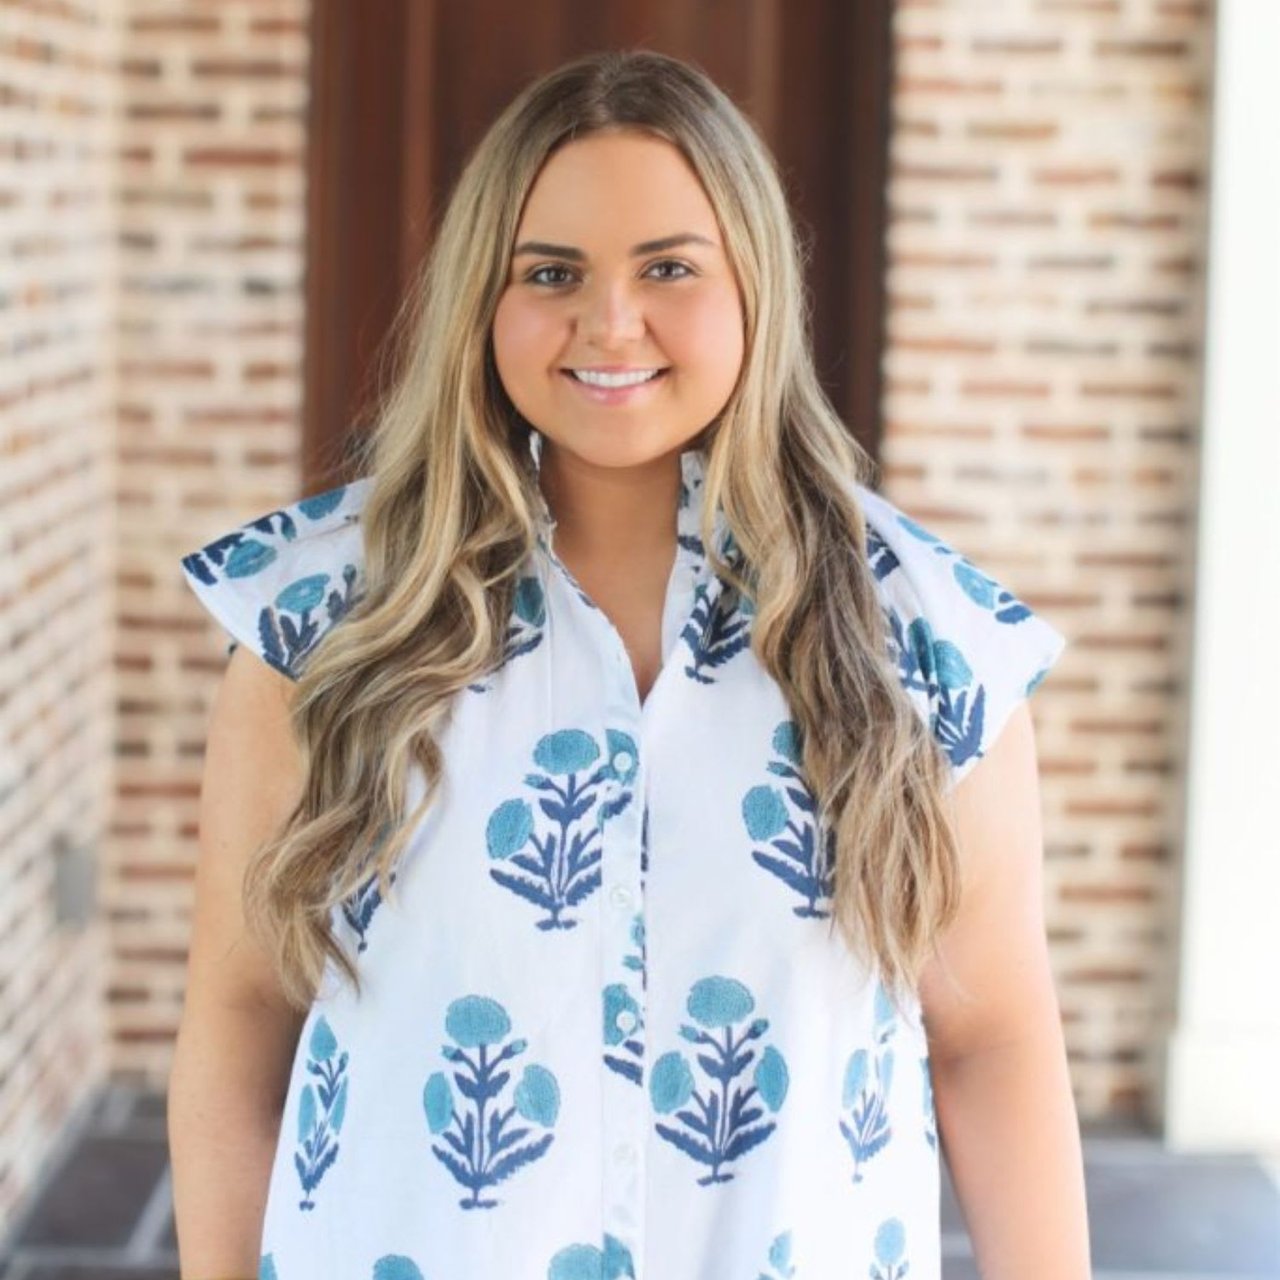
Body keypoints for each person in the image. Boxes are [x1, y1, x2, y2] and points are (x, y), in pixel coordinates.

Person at [167, 48, 1091, 1280]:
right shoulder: (322, 622)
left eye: (667, 267)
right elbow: (240, 1026)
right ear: (481, 302)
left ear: (752, 283)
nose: (609, 322)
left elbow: (991, 1042)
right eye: (550, 273)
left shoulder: (920, 639)